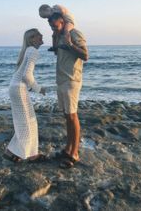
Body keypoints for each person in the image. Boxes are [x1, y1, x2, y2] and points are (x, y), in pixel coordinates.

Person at [48, 12, 89, 168]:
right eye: (51, 26)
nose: (53, 28)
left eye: (55, 25)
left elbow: (85, 55)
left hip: (72, 80)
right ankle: (68, 149)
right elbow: (57, 53)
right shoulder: (59, 35)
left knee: (72, 117)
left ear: (63, 22)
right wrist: (55, 37)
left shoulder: (75, 33)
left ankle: (75, 153)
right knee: (67, 116)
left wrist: (70, 44)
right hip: (61, 80)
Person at [5, 28, 47, 162]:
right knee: (29, 122)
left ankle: (11, 152)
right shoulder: (33, 51)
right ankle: (31, 155)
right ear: (32, 39)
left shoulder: (28, 50)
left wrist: (29, 86)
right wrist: (38, 88)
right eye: (38, 35)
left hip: (15, 87)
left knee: (23, 123)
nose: (41, 35)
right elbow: (27, 75)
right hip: (19, 89)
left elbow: (22, 74)